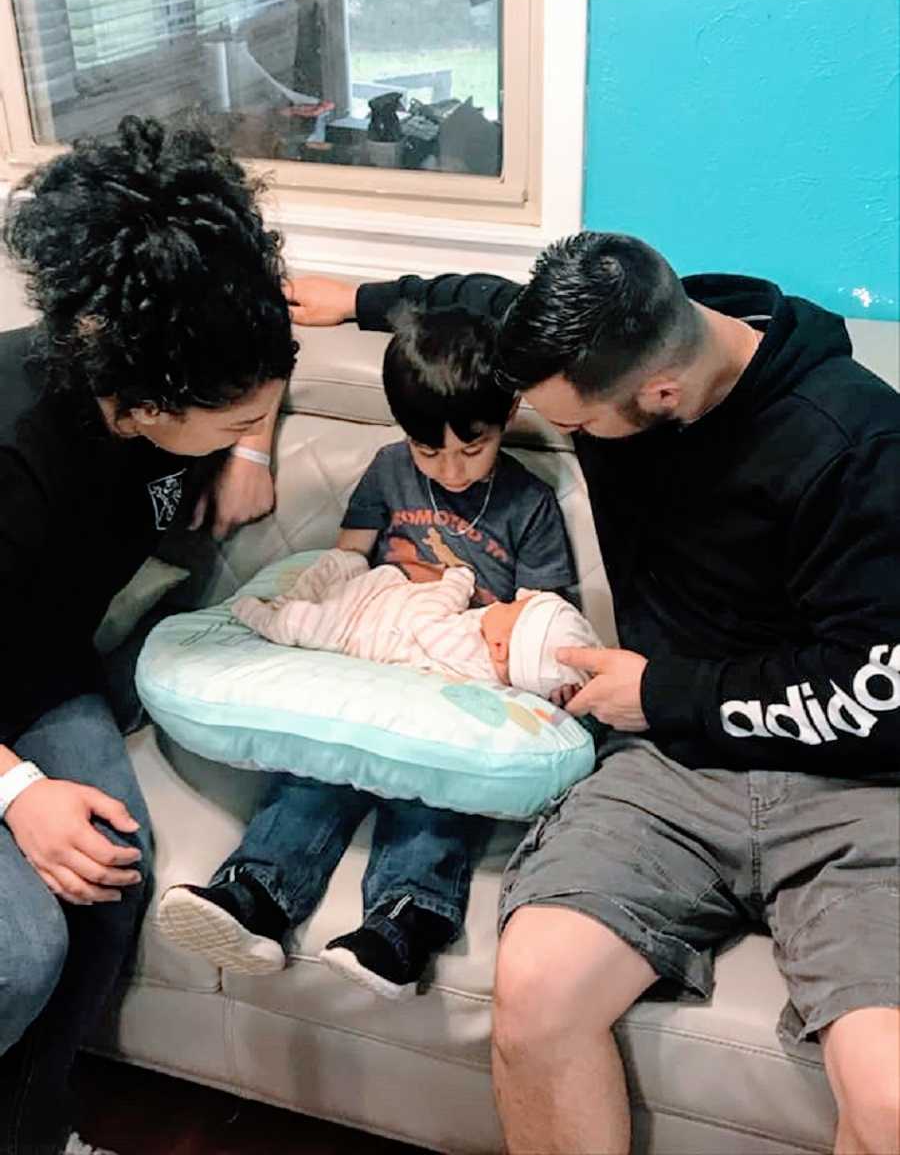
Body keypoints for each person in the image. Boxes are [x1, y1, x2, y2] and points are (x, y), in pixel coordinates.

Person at [286, 234, 900, 1154]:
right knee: (533, 996)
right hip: (667, 772)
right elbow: (478, 296)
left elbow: (876, 694)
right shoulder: (601, 336)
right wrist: (362, 296)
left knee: (889, 1099)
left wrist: (662, 692)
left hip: (853, 787)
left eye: (579, 427)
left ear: (661, 397)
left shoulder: (856, 441)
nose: (566, 437)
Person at [0, 115, 297, 1155]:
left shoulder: (185, 347)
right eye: (222, 422)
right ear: (134, 406)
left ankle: (35, 1133)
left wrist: (247, 444)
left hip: (36, 676)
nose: (240, 428)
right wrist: (18, 795)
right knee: (19, 952)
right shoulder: (18, 449)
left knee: (111, 872)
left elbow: (269, 339)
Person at [155, 304, 579, 1001]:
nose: (451, 470)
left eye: (473, 450)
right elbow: (345, 562)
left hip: (454, 675)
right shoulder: (387, 472)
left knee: (434, 792)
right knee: (316, 769)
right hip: (368, 653)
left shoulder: (528, 504)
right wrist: (303, 615)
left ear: (506, 418)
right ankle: (253, 895)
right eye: (429, 452)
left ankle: (403, 926)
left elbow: (539, 617)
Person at [229, 551, 597, 690]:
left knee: (296, 622)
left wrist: (457, 580)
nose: (514, 597)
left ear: (500, 647)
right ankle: (298, 597)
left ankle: (253, 609)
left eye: (518, 606)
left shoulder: (471, 654)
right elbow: (557, 665)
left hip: (351, 629)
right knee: (349, 564)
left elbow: (426, 622)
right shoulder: (509, 664)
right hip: (382, 600)